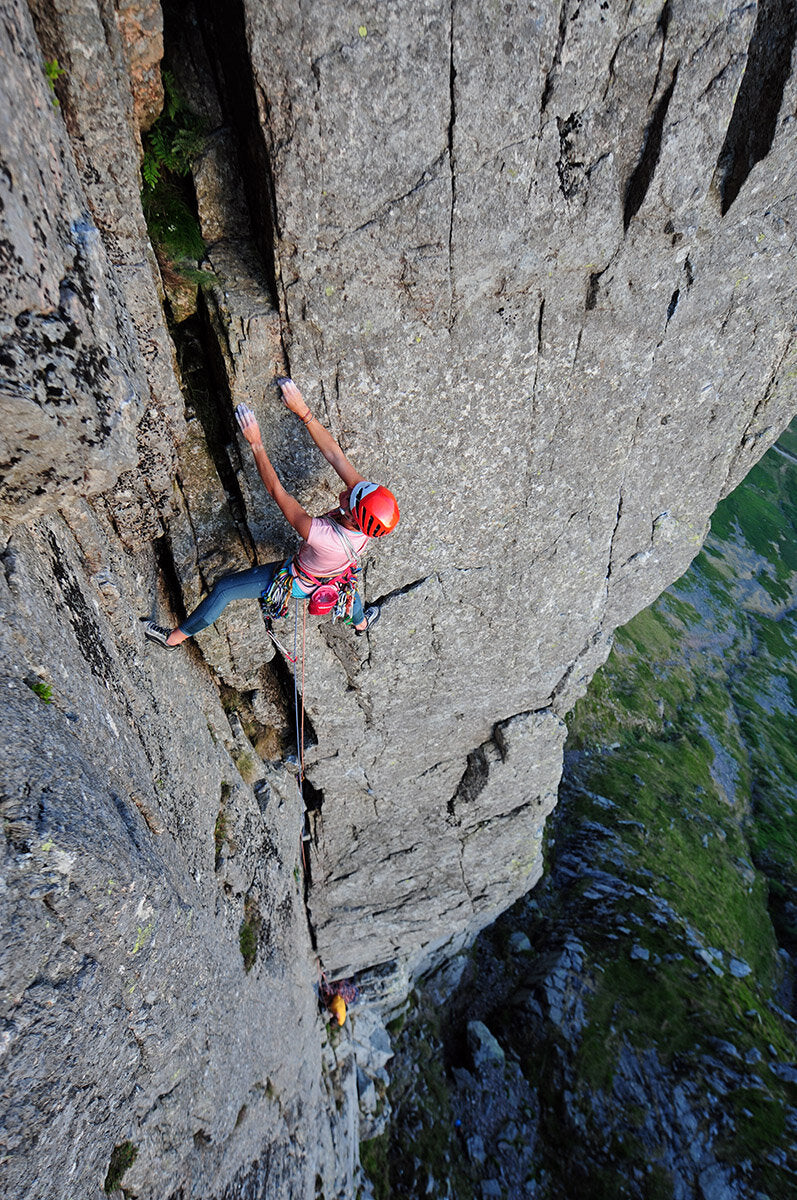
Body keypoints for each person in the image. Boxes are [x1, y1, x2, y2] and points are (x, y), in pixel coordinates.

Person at [143, 377, 399, 650]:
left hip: (302, 580)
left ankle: (172, 639)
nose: (349, 489)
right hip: (339, 576)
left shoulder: (323, 536)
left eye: (350, 497)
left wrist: (256, 443)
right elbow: (335, 456)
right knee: (348, 592)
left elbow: (279, 493)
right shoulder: (366, 510)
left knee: (224, 590)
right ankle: (362, 624)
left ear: (352, 515)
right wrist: (304, 411)